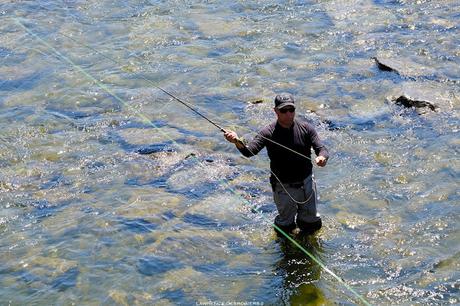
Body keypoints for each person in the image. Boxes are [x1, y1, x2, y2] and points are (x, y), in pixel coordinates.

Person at [224, 93, 329, 235]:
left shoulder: (306, 128)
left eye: (291, 110)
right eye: (283, 110)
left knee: (311, 224)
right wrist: (237, 141)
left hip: (307, 182)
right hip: (283, 186)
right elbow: (250, 151)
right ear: (275, 111)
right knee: (285, 226)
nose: (288, 114)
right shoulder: (267, 132)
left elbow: (321, 148)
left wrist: (322, 158)